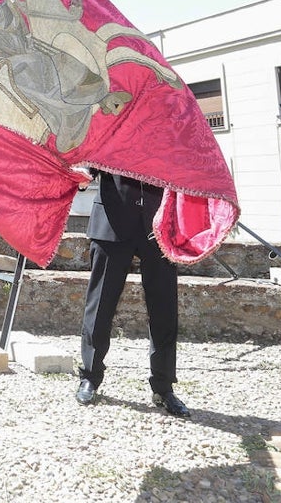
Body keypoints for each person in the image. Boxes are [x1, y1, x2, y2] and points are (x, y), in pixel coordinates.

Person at [75, 171, 190, 417]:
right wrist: (84, 173)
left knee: (164, 309)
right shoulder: (109, 128)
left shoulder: (169, 129)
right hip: (111, 219)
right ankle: (90, 377)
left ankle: (163, 387)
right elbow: (94, 149)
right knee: (100, 305)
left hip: (159, 223)